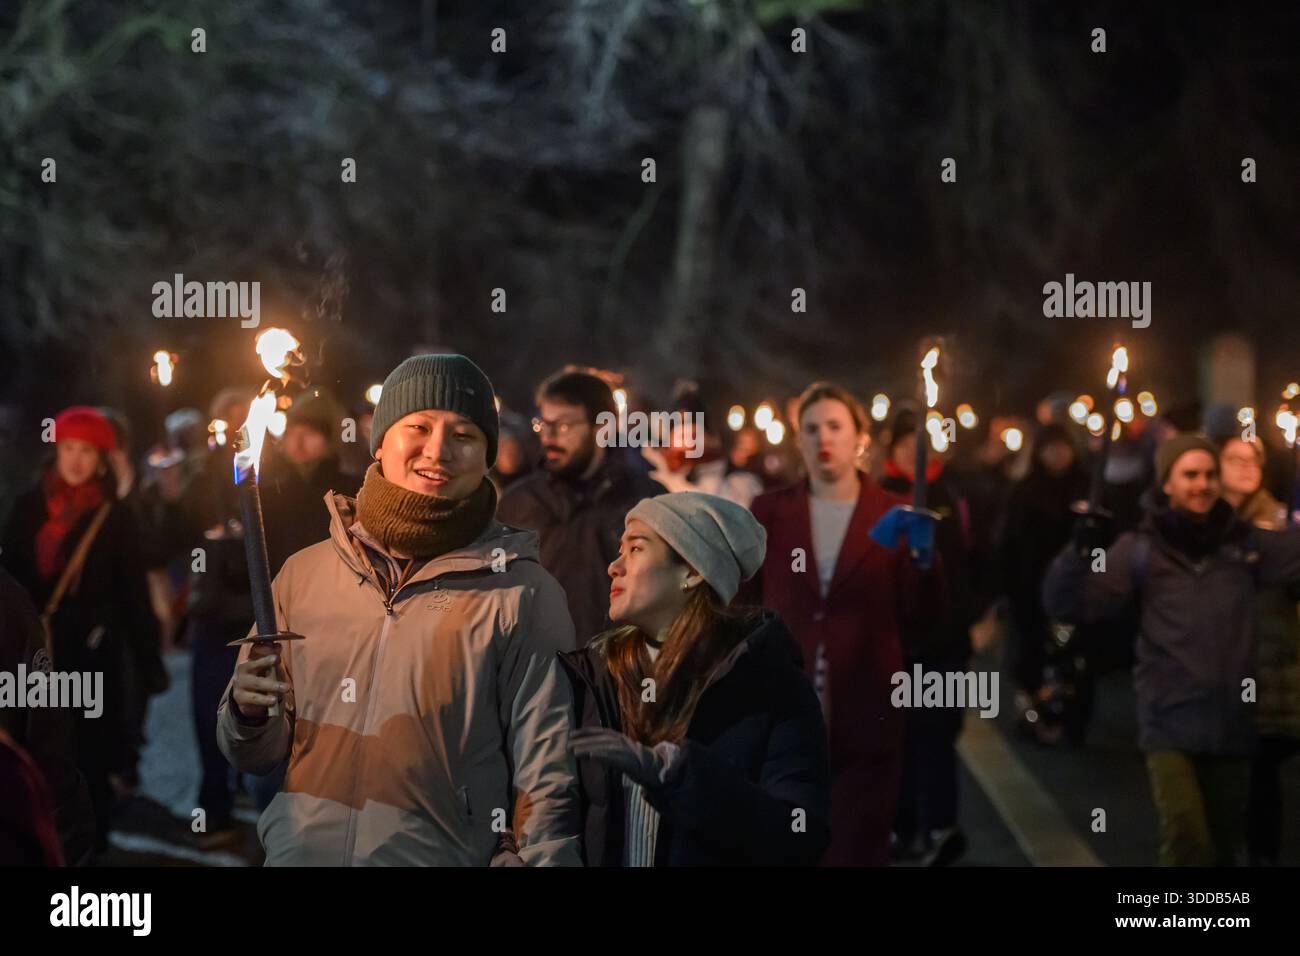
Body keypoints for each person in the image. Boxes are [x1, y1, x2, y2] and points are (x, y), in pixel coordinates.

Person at [217, 354, 581, 865]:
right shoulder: (304, 575)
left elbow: (550, 770)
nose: (438, 450)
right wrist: (248, 713)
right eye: (419, 426)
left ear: (487, 456)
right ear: (381, 441)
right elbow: (254, 753)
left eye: (464, 435)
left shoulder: (522, 593)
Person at [1044, 433, 1300, 866]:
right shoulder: (1139, 550)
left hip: (1232, 725)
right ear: (1166, 483)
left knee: (1223, 847)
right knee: (1187, 843)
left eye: (1209, 474)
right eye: (1189, 475)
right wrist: (1077, 552)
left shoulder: (1246, 546)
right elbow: (1071, 602)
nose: (1202, 484)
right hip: (1170, 723)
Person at [560, 492, 830, 865]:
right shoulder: (592, 677)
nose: (614, 566)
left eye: (636, 549)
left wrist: (679, 775)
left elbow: (801, 833)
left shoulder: (770, 685)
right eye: (620, 549)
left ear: (691, 571)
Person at [744, 382, 943, 866]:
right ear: (798, 440)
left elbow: (926, 618)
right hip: (786, 709)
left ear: (860, 438)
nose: (823, 439)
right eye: (811, 429)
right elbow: (744, 606)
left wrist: (924, 564)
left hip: (867, 707)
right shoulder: (770, 512)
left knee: (856, 845)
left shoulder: (893, 515)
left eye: (835, 426)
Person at [0, 406, 162, 856]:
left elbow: (133, 595)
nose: (75, 460)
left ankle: (91, 845)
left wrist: (148, 661)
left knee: (90, 751)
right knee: (32, 747)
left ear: (103, 458)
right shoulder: (29, 505)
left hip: (90, 655)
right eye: (68, 448)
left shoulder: (115, 515)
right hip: (30, 654)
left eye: (86, 451)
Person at [498, 368, 663, 642]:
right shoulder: (518, 504)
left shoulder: (647, 501)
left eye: (562, 425)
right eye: (543, 423)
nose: (548, 437)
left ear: (601, 427)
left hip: (619, 670)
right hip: (542, 671)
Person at [878, 405, 976, 865]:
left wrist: (972, 616)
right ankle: (899, 827)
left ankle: (941, 824)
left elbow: (973, 561)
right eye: (905, 444)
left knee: (938, 734)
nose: (915, 453)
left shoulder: (953, 494)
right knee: (896, 735)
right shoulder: (878, 496)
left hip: (944, 643)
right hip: (893, 642)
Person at [1218, 436, 1300, 866]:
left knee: (1263, 770)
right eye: (1235, 459)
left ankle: (1261, 855)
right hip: (1224, 662)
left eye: (1254, 460)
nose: (1246, 466)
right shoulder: (1207, 521)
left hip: (1269, 663)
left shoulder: (1280, 520)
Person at [998, 423, 1094, 741]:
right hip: (1030, 590)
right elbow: (1009, 543)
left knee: (1073, 659)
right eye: (1050, 448)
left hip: (1075, 591)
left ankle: (1070, 720)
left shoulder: (1085, 488)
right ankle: (1035, 719)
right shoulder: (1025, 491)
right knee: (1032, 658)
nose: (1057, 455)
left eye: (1062, 447)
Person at [641, 382, 764, 508]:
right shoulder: (652, 483)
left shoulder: (740, 484)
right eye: (682, 435)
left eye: (694, 435)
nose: (688, 443)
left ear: (711, 437)